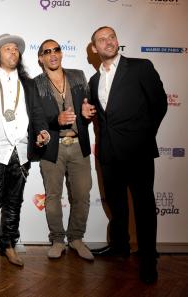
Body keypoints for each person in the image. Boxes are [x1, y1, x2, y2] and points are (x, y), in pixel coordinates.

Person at [83, 26, 167, 284]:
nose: (108, 42)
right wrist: (86, 111)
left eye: (111, 37)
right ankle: (119, 246)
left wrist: (142, 136)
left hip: (137, 151)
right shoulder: (94, 80)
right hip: (108, 154)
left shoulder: (141, 67)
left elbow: (159, 104)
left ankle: (148, 260)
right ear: (94, 49)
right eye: (102, 40)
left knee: (143, 207)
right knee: (117, 205)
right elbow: (99, 114)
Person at [0, 34, 50, 271]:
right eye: (7, 49)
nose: (13, 52)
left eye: (16, 49)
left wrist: (43, 131)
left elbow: (37, 114)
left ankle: (9, 245)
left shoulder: (29, 83)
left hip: (22, 150)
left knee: (14, 202)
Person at [34, 39, 93, 261]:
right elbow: (36, 120)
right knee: (52, 197)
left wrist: (87, 112)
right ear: (40, 58)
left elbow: (88, 105)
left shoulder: (78, 76)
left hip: (79, 146)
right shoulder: (36, 84)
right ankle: (57, 239)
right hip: (52, 148)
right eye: (46, 51)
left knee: (81, 195)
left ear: (61, 53)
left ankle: (76, 238)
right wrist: (55, 120)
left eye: (56, 49)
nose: (53, 54)